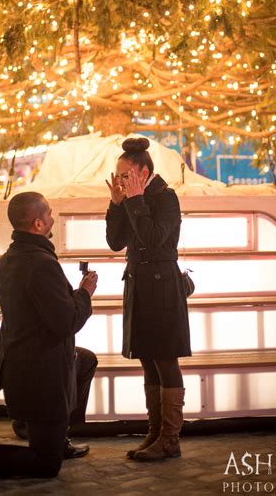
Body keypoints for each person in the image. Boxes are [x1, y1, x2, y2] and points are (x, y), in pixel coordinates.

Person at [0, 191, 98, 488]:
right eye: (48, 213)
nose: (53, 217)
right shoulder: (41, 265)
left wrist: (72, 296)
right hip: (41, 375)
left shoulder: (9, 259)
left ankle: (58, 436)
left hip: (21, 363)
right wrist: (85, 292)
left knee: (84, 360)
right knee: (46, 465)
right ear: (37, 223)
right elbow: (67, 323)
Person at [105, 137, 191, 462]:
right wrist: (117, 203)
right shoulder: (131, 198)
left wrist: (136, 200)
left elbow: (154, 238)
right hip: (139, 284)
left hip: (163, 285)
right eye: (118, 176)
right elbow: (116, 242)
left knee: (165, 359)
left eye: (125, 175)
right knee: (147, 358)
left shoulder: (165, 197)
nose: (121, 181)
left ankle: (170, 438)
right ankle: (155, 432)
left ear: (143, 172)